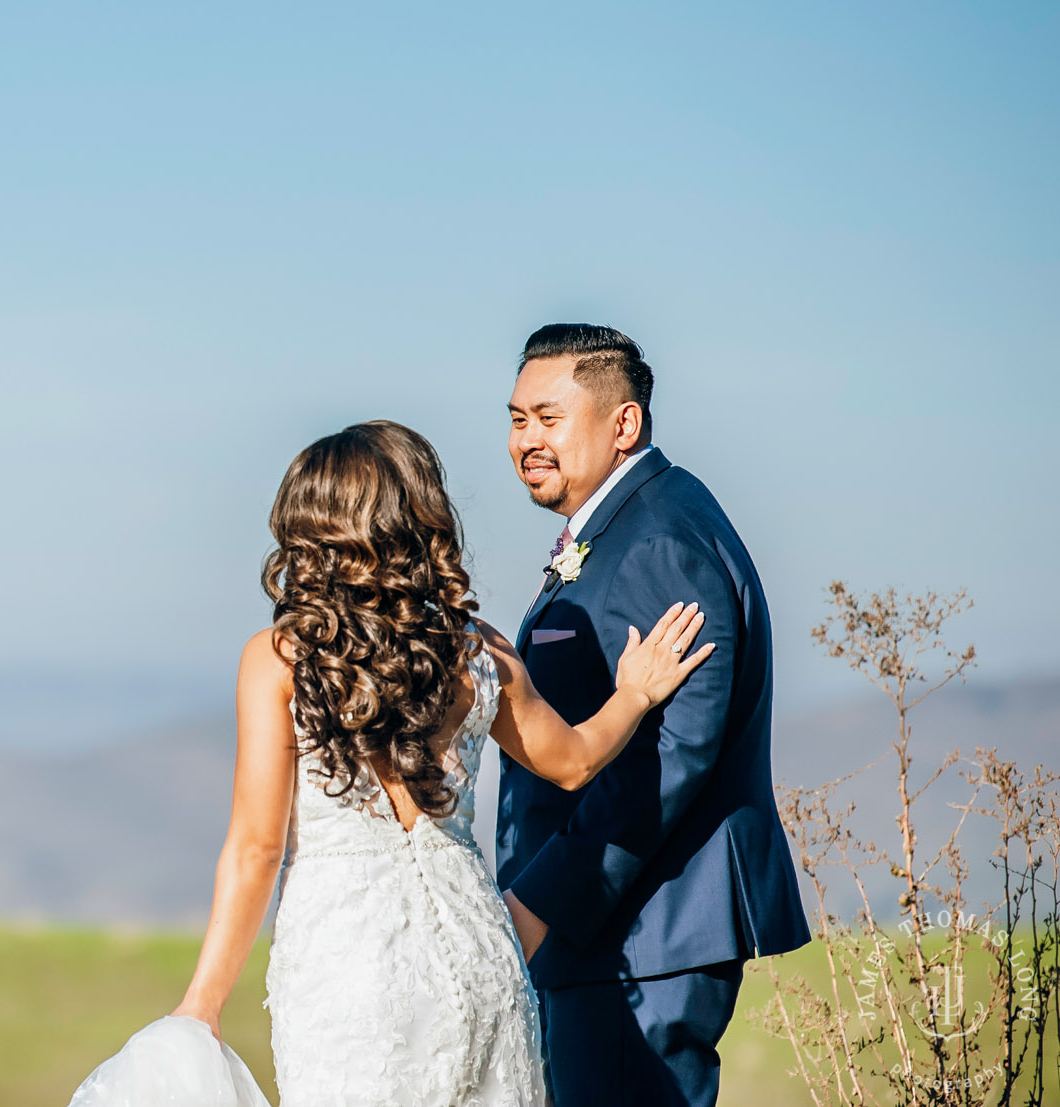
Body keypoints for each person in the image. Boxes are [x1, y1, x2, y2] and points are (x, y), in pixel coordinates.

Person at [164, 420, 712, 1106]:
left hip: (348, 964)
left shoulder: (279, 658)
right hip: (477, 956)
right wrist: (633, 693)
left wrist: (202, 1003)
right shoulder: (478, 651)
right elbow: (572, 762)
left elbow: (256, 847)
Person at [497, 324, 810, 1107]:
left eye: (547, 417)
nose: (526, 440)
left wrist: (544, 903)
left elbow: (671, 755)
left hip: (637, 934)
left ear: (623, 422)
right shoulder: (628, 524)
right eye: (515, 419)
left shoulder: (659, 540)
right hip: (617, 936)